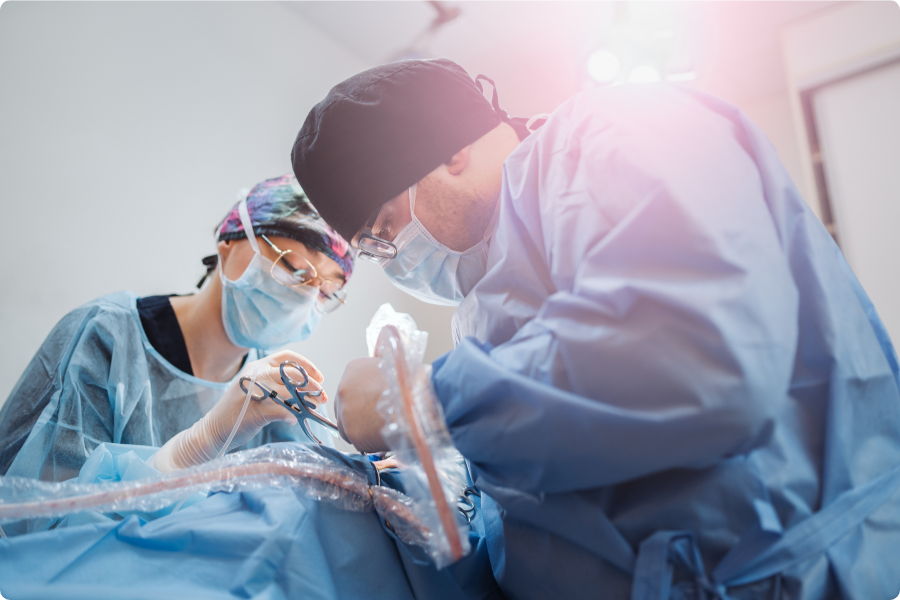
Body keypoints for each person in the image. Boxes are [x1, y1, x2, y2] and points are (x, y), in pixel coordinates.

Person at [290, 59, 900, 599]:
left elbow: (695, 360)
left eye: (382, 226)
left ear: (449, 150)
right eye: (372, 248)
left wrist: (415, 403)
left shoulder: (621, 133)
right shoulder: (487, 295)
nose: (391, 254)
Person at [0, 173, 355, 485]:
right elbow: (39, 515)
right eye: (294, 269)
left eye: (326, 290)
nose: (307, 297)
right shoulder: (106, 339)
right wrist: (192, 450)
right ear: (228, 242)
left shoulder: (275, 391)